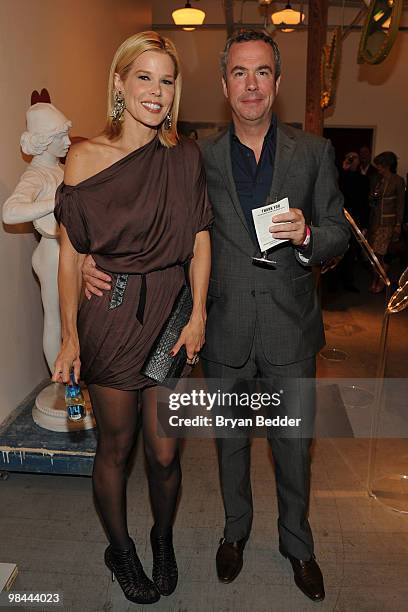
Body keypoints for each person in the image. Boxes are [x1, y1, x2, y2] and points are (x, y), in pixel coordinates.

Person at [82, 30, 349, 603]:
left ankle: (298, 545)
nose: (250, 84)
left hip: (290, 330)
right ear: (224, 85)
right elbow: (137, 215)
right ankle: (234, 535)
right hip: (223, 330)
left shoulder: (314, 153)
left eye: (261, 73)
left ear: (276, 83)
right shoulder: (192, 155)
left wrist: (307, 233)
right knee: (229, 444)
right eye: (238, 73)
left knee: (293, 447)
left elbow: (337, 235)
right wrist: (87, 261)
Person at [52, 31, 213, 605]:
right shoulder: (85, 156)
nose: (156, 90)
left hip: (170, 313)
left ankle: (162, 539)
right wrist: (70, 338)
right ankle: (120, 550)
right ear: (120, 83)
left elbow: (199, 237)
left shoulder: (185, 155)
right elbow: (71, 253)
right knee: (115, 448)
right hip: (111, 314)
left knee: (165, 450)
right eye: (143, 77)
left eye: (166, 80)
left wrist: (196, 314)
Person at [2, 103, 71, 370]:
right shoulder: (37, 175)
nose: (67, 142)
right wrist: (56, 202)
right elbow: (10, 212)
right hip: (51, 253)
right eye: (60, 138)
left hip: (67, 251)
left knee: (70, 320)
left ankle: (70, 377)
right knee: (55, 318)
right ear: (43, 141)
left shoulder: (61, 169)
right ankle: (60, 381)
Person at [368, 151, 405, 293]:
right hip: (375, 223)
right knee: (374, 255)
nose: (378, 168)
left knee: (383, 254)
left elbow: (400, 204)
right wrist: (372, 197)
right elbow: (371, 201)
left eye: (380, 165)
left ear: (387, 165)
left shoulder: (398, 180)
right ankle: (377, 279)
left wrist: (398, 224)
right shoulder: (377, 180)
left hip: (389, 224)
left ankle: (381, 281)